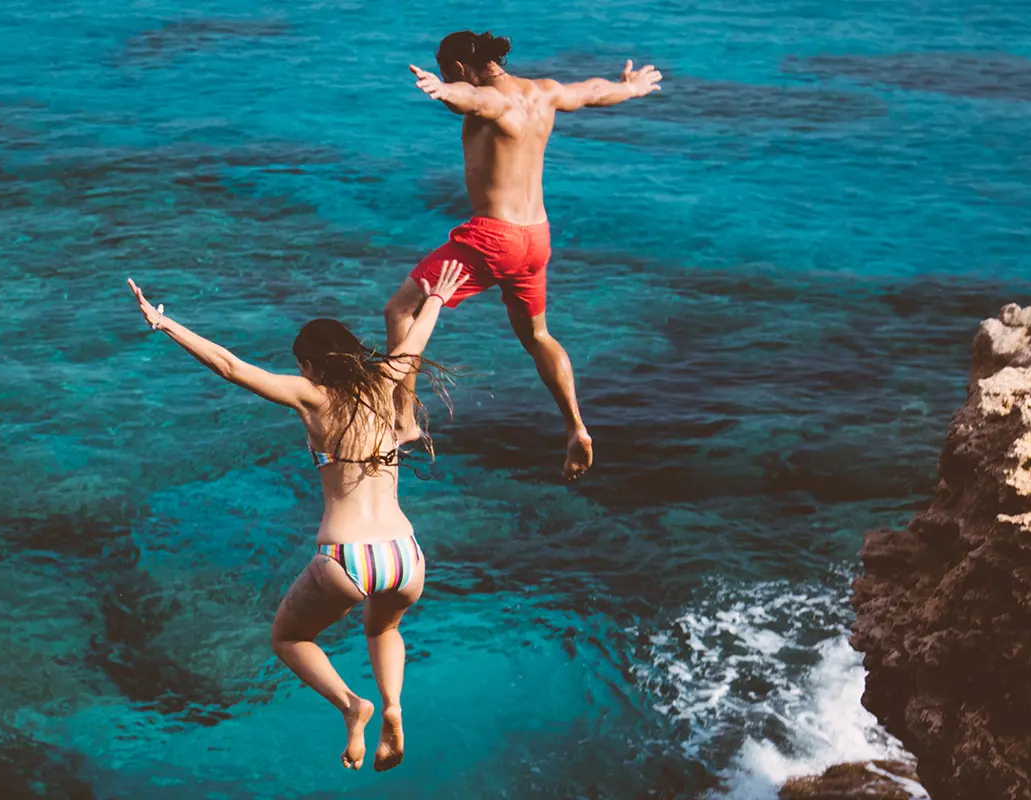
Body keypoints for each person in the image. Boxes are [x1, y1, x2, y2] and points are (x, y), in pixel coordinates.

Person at [128, 261, 473, 771]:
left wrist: (165, 323)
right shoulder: (384, 379)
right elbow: (415, 339)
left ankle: (354, 707)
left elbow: (231, 367)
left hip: (348, 556)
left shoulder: (312, 398)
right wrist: (438, 299)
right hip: (406, 556)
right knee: (382, 630)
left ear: (311, 366)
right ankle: (395, 707)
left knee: (288, 639)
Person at [386, 30, 662, 482]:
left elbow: (472, 103)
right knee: (538, 337)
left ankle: (405, 420)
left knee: (400, 308)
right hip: (536, 238)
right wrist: (630, 87)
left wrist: (443, 94)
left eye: (444, 72)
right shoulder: (544, 92)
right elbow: (592, 91)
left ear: (458, 68)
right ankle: (575, 426)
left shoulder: (488, 99)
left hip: (493, 237)